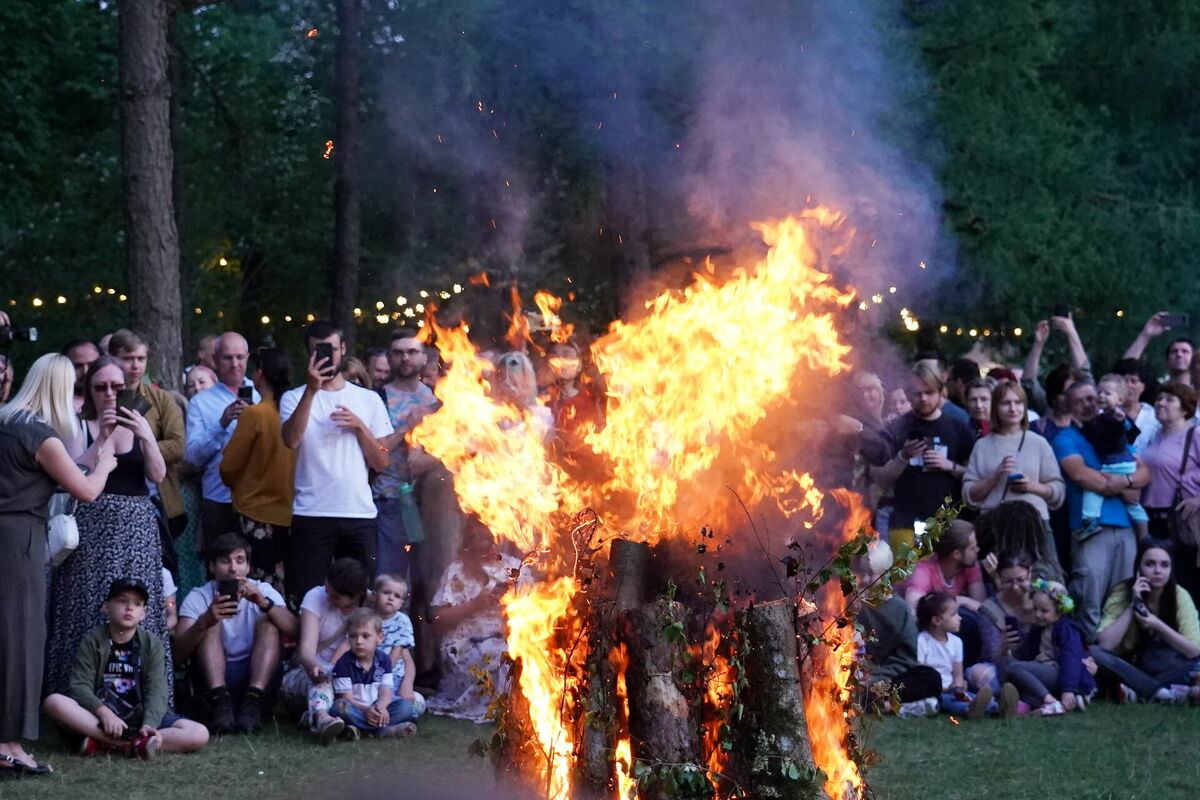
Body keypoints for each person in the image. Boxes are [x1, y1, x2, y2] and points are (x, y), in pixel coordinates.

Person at [0, 352, 118, 777]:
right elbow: (86, 489)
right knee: (21, 643)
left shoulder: (7, 422)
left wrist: (98, 446)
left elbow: (62, 472)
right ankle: (9, 743)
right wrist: (105, 463)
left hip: (8, 537)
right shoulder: (40, 434)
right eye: (73, 390)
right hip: (20, 544)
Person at [47, 356, 174, 702]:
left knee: (137, 606)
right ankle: (77, 697)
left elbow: (158, 475)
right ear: (89, 390)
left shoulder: (139, 422)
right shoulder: (77, 425)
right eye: (100, 387)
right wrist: (102, 436)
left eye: (117, 387)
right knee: (88, 605)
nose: (109, 394)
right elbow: (74, 474)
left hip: (136, 529)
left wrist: (146, 434)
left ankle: (144, 700)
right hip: (93, 528)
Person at [281, 321, 392, 601]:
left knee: (361, 597)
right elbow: (291, 440)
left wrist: (359, 427)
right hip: (312, 512)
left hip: (358, 512)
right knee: (308, 597)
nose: (325, 357)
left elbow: (381, 462)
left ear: (343, 349)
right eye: (318, 351)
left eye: (330, 349)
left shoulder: (368, 400)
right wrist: (311, 390)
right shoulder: (294, 397)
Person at [42, 578, 209, 759]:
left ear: (143, 613)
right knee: (54, 702)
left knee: (198, 733)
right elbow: (80, 685)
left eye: (137, 604)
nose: (129, 608)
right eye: (122, 601)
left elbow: (157, 689)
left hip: (141, 716)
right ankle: (130, 745)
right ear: (106, 607)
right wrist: (104, 713)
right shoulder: (93, 639)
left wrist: (149, 724)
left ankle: (105, 744)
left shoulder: (151, 643)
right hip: (101, 718)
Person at [1053, 379, 1149, 636]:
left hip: (1126, 529)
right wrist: (1124, 485)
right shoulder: (1066, 438)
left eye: (1091, 398)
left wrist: (1128, 481)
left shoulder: (1113, 429)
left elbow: (1143, 472)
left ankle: (1114, 663)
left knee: (1122, 600)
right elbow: (1081, 475)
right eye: (1079, 401)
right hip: (1089, 531)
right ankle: (1086, 662)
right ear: (1070, 408)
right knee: (1089, 600)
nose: (1088, 404)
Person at [175, 533, 297, 734]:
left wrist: (263, 603)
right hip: (213, 684)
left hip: (257, 679)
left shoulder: (263, 590)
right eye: (225, 561)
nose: (233, 568)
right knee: (210, 622)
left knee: (270, 622)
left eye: (239, 561)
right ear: (212, 567)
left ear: (248, 567)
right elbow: (177, 655)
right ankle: (221, 702)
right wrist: (204, 621)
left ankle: (253, 702)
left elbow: (294, 630)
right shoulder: (198, 596)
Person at [872, 363, 976, 550]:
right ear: (908, 394)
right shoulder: (897, 428)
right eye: (917, 393)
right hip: (904, 522)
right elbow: (881, 479)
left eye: (929, 393)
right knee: (908, 579)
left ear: (940, 392)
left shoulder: (958, 426)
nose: (923, 399)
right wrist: (903, 456)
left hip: (947, 524)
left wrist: (950, 466)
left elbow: (974, 477)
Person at [425, 521, 520, 721]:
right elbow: (438, 620)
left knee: (518, 653)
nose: (490, 544)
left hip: (509, 638)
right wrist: (476, 605)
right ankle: (499, 709)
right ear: (469, 541)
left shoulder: (514, 568)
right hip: (465, 643)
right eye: (483, 538)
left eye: (493, 537)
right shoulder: (457, 571)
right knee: (495, 654)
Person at [219, 347, 296, 586]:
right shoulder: (296, 412)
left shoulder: (255, 414)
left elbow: (229, 467)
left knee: (254, 586)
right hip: (293, 513)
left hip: (255, 513)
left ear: (259, 375)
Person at [1092, 540, 1200, 703]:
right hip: (1129, 665)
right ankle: (1165, 694)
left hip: (1167, 665)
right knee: (1093, 653)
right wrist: (1133, 604)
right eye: (1150, 564)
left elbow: (1193, 650)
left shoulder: (1179, 595)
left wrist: (1157, 624)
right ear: (1138, 569)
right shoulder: (1122, 592)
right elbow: (1105, 644)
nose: (1158, 571)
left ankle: (1137, 691)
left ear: (1171, 570)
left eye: (1164, 565)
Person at [963, 381, 1065, 549]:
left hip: (1035, 524)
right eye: (1006, 403)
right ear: (996, 407)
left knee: (1043, 574)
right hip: (995, 526)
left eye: (1018, 403)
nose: (1013, 408)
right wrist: (995, 476)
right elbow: (969, 496)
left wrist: (1032, 487)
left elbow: (1058, 491)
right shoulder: (982, 446)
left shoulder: (1039, 443)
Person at [373, 330, 439, 582]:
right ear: (389, 358)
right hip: (390, 500)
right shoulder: (377, 398)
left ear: (424, 358)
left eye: (412, 352)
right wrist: (406, 427)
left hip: (427, 501)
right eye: (398, 352)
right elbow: (375, 452)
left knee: (427, 582)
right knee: (390, 583)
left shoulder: (436, 399)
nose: (405, 358)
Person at [109, 329, 187, 540]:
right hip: (108, 494)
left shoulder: (162, 399)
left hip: (155, 497)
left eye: (140, 358)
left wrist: (140, 449)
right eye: (128, 359)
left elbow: (178, 446)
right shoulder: (102, 395)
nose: (136, 366)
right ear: (112, 359)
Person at [280, 558, 369, 742]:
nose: (329, 598)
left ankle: (336, 722)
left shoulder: (371, 604)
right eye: (328, 591)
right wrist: (314, 667)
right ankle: (322, 718)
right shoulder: (315, 596)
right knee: (323, 682)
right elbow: (306, 650)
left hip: (349, 682)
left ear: (355, 596)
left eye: (336, 597)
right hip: (308, 677)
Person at [850, 539, 942, 715]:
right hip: (856, 677)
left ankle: (878, 703)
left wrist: (875, 679)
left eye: (871, 573)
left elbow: (905, 659)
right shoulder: (851, 603)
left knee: (931, 678)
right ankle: (887, 704)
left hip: (887, 678)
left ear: (885, 575)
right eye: (862, 572)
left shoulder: (901, 610)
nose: (865, 579)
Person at [185, 332, 259, 552]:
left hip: (258, 498)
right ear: (215, 360)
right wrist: (221, 423)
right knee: (221, 571)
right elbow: (193, 456)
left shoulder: (262, 395)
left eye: (239, 357)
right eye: (227, 358)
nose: (234, 364)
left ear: (248, 357)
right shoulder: (200, 402)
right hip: (218, 499)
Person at [1135, 382, 1200, 600]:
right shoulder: (1155, 435)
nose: (1161, 403)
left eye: (1169, 399)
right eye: (1159, 398)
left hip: (1181, 522)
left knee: (1185, 584)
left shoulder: (1195, 435)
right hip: (1152, 520)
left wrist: (1198, 500)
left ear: (1185, 409)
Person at [1007, 580, 1096, 715]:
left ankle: (1050, 701)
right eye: (1035, 609)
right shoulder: (1039, 628)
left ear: (1060, 610)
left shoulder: (1066, 629)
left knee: (1015, 668)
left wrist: (1068, 689)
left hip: (1059, 673)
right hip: (1043, 669)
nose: (1037, 614)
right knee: (1009, 665)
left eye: (1044, 611)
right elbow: (1029, 652)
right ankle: (1033, 704)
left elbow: (1070, 659)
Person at [1076, 375, 1149, 537]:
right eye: (1099, 392)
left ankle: (1090, 520)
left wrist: (1121, 422)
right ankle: (1145, 534)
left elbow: (1124, 429)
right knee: (1133, 503)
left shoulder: (1115, 416)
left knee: (1092, 489)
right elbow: (1131, 433)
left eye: (1107, 393)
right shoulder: (1103, 417)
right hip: (1124, 462)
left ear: (1120, 399)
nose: (1101, 396)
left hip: (1115, 464)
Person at [331, 608, 420, 738]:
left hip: (377, 707)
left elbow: (386, 693)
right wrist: (366, 710)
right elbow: (347, 698)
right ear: (348, 639)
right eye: (353, 636)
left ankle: (360, 730)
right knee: (340, 708)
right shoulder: (343, 663)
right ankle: (383, 731)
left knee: (405, 707)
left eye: (365, 636)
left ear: (379, 637)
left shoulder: (384, 660)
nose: (359, 641)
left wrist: (381, 707)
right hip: (357, 708)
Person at [915, 592, 1007, 718]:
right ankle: (970, 710)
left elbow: (958, 674)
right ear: (937, 620)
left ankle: (997, 707)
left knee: (967, 696)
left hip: (953, 688)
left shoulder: (956, 642)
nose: (960, 618)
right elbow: (921, 673)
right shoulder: (922, 641)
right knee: (948, 701)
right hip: (934, 691)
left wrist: (958, 685)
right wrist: (944, 689)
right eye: (954, 614)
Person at [971, 551, 1039, 696]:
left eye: (1020, 580)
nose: (1015, 587)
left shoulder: (1041, 598)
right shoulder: (989, 608)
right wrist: (1003, 646)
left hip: (1039, 665)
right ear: (998, 577)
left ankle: (1020, 696)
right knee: (977, 673)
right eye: (1008, 581)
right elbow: (991, 656)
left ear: (1030, 573)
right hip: (1005, 666)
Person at [1022, 315, 1092, 416]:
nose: (1073, 396)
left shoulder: (1089, 415)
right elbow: (1028, 383)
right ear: (1054, 398)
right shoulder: (1047, 409)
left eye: (1075, 389)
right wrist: (1038, 343)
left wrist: (1071, 332)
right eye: (1066, 393)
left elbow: (1084, 372)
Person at [373, 574, 419, 706]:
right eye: (386, 592)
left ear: (401, 604)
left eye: (397, 596)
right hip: (364, 673)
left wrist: (407, 684)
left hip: (391, 675)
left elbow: (397, 653)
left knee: (387, 700)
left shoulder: (402, 621)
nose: (391, 598)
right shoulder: (367, 617)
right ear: (375, 595)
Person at [1124, 312, 1193, 386]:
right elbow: (1124, 371)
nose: (1179, 354)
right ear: (1167, 362)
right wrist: (1145, 335)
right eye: (1174, 351)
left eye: (1185, 351)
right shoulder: (1154, 390)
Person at [1112, 357, 1158, 434]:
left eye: (1133, 381)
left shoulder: (1154, 416)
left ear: (1143, 386)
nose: (1129, 385)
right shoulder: (1105, 411)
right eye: (1125, 380)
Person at [61, 338, 100, 413]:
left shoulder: (111, 401)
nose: (85, 371)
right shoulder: (57, 407)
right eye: (78, 366)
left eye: (91, 364)